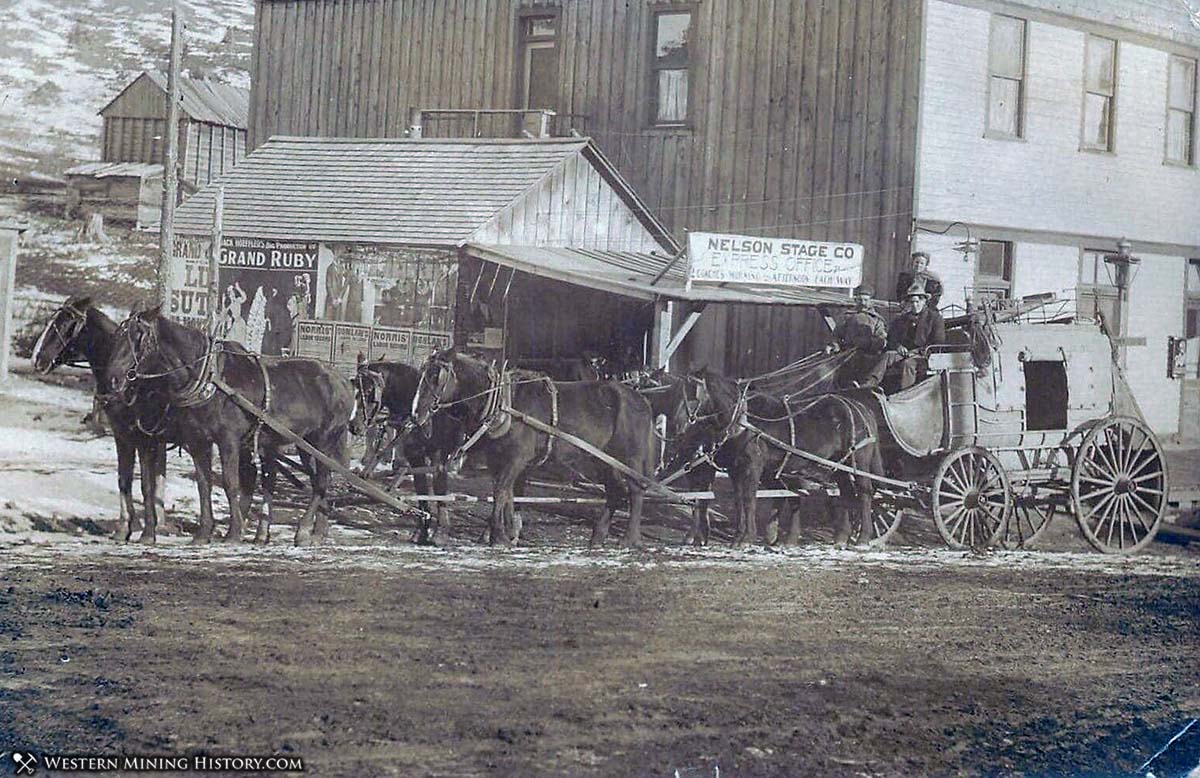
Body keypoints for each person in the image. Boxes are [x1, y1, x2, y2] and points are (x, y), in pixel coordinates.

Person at [863, 282, 946, 390]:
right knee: (888, 355)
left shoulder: (934, 318)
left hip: (925, 356)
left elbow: (938, 341)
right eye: (911, 302)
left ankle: (905, 393)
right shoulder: (903, 319)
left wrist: (917, 352)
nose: (915, 305)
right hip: (905, 353)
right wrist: (898, 346)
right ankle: (870, 384)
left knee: (908, 364)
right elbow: (891, 338)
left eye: (917, 301)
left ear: (924, 301)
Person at [828, 284, 888, 387]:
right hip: (848, 352)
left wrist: (867, 343)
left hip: (869, 354)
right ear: (856, 300)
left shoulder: (877, 319)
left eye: (866, 300)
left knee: (868, 363)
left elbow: (882, 341)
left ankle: (865, 386)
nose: (863, 303)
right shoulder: (847, 316)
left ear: (871, 301)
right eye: (860, 300)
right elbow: (836, 335)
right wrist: (834, 345)